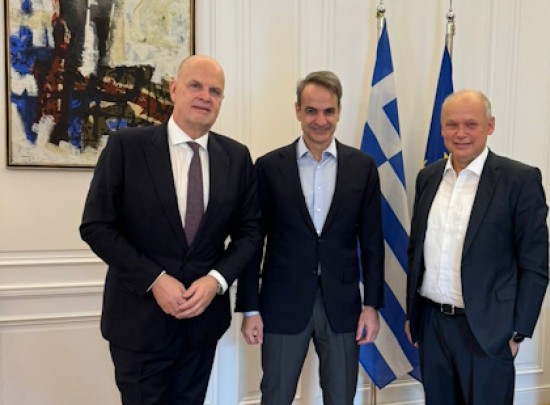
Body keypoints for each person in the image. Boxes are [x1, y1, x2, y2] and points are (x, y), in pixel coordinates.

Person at [79, 55, 261, 404]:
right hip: (138, 324)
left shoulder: (236, 157)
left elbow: (250, 232)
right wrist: (154, 279)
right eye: (195, 86)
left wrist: (216, 280)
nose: (205, 96)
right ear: (174, 90)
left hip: (202, 326)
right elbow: (96, 226)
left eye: (215, 91)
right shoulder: (127, 147)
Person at [236, 71, 384, 405]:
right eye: (311, 111)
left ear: (339, 111)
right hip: (281, 304)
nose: (320, 120)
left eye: (328, 111)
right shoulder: (268, 167)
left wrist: (371, 306)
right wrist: (250, 308)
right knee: (276, 396)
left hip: (343, 306)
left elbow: (373, 243)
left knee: (341, 397)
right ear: (297, 111)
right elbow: (252, 241)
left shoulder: (362, 167)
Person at [405, 90, 549, 404]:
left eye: (471, 124)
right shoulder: (427, 178)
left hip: (487, 331)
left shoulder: (519, 180)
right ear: (441, 128)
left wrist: (517, 331)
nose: (461, 133)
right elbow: (416, 251)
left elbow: (535, 265)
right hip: (432, 326)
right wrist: (413, 314)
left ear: (490, 126)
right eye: (452, 124)